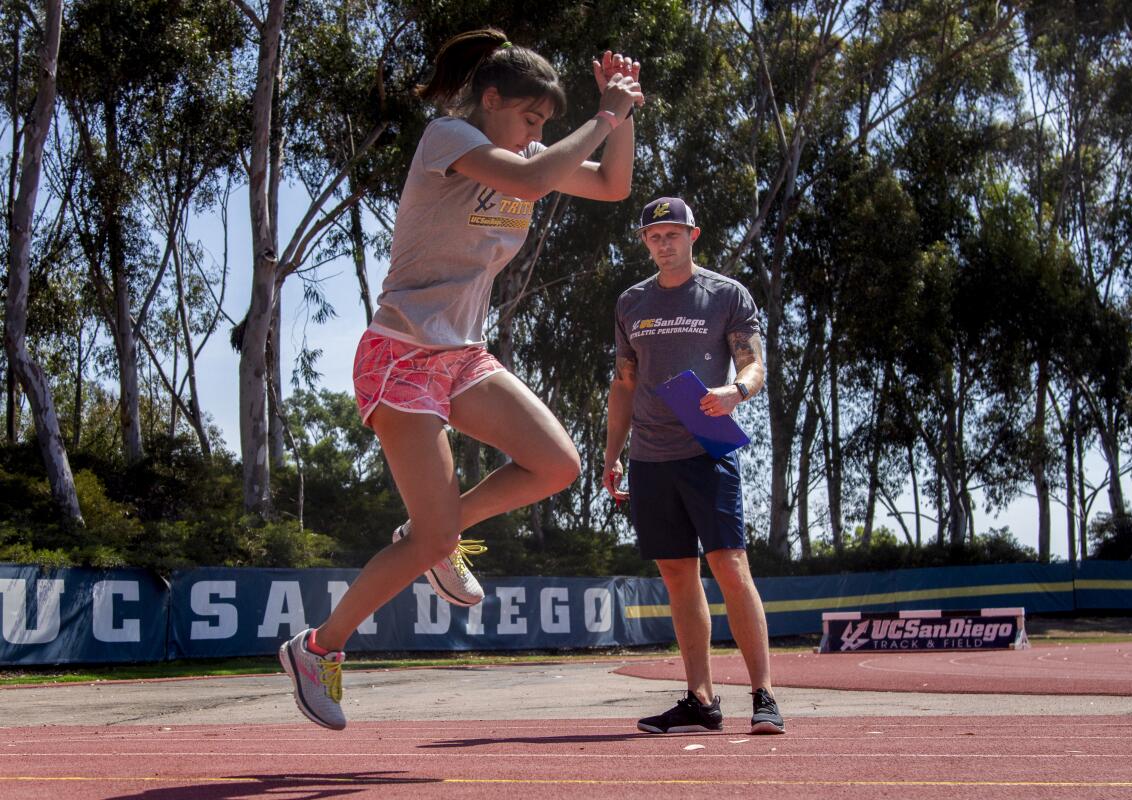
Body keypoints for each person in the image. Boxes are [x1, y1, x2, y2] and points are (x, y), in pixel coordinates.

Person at [279, 28, 643, 731]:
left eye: (545, 124)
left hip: (463, 354)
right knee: (429, 541)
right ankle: (319, 648)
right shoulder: (447, 138)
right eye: (529, 118)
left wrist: (620, 116)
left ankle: (437, 534)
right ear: (491, 98)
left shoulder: (530, 152)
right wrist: (601, 118)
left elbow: (612, 184)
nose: (537, 133)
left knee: (556, 464)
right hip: (402, 354)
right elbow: (534, 181)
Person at [603, 197, 785, 735]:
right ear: (645, 242)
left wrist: (735, 391)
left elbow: (754, 364)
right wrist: (611, 453)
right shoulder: (631, 303)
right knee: (678, 574)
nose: (664, 243)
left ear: (693, 234)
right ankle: (701, 701)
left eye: (672, 233)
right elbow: (624, 383)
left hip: (708, 449)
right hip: (649, 458)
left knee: (730, 567)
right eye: (654, 235)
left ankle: (764, 695)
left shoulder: (726, 294)